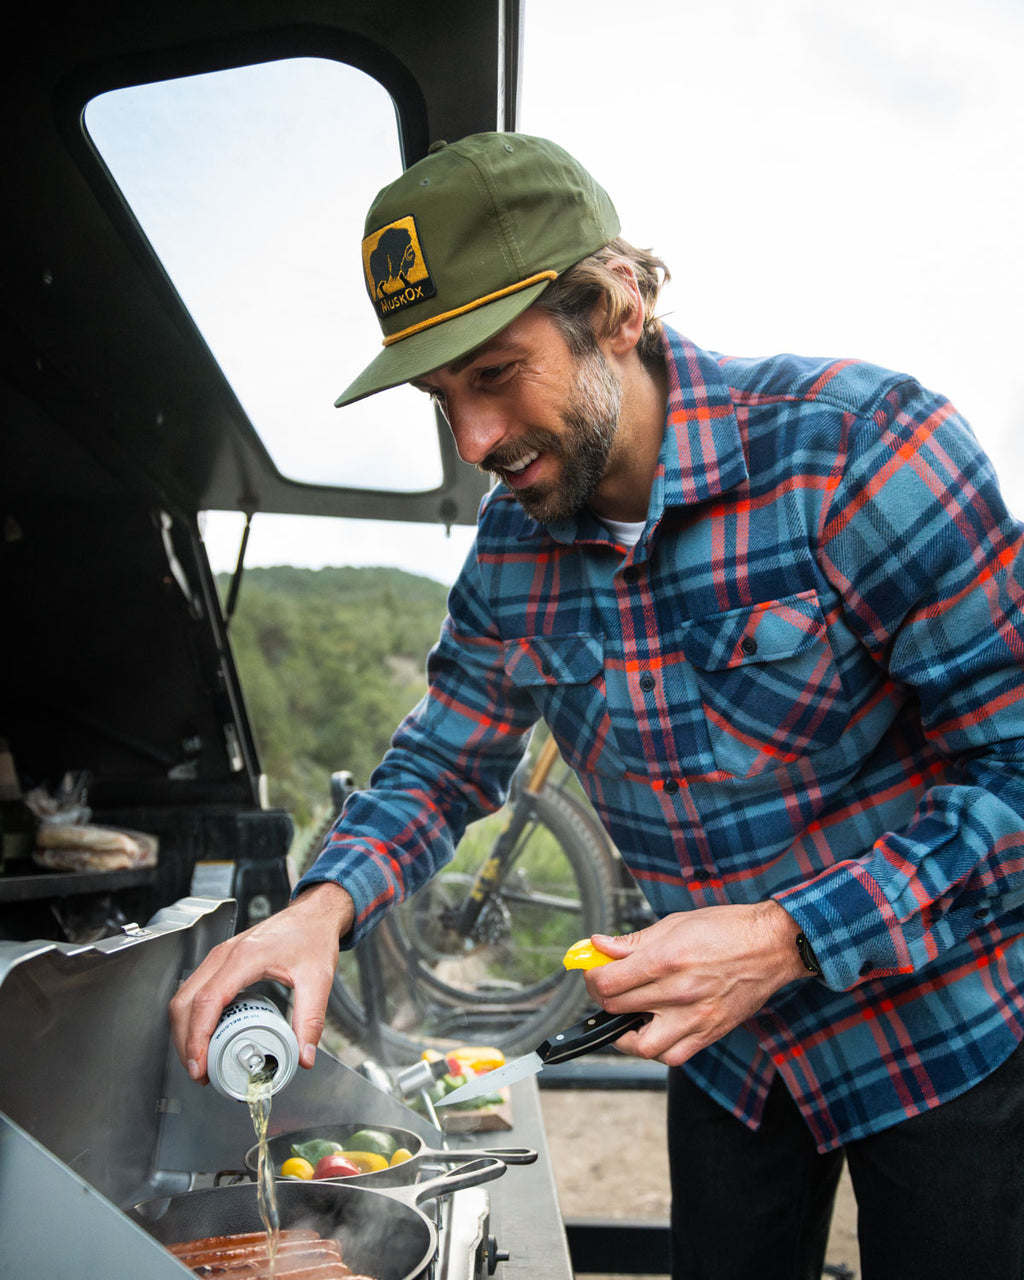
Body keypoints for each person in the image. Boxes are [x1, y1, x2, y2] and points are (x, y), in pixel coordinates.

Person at [170, 133, 1024, 1279]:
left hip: (938, 1026)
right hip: (725, 1055)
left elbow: (1012, 768)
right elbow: (440, 764)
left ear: (615, 307)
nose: (474, 441)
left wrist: (786, 936)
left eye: (495, 372)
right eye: (441, 396)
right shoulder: (509, 554)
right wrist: (320, 906)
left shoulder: (862, 452)